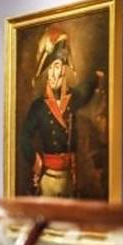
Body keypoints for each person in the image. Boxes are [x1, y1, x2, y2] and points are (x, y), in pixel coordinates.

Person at [20, 25, 105, 197]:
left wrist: (98, 76)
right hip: (47, 178)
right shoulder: (38, 107)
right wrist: (35, 159)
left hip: (69, 178)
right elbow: (24, 138)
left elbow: (86, 88)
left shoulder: (73, 98)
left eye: (57, 67)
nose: (52, 74)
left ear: (64, 70)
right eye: (50, 69)